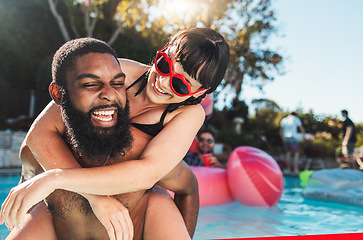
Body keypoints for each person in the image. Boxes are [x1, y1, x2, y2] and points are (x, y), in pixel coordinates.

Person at [1, 28, 230, 239]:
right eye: (163, 64)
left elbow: (147, 174)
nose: (162, 81)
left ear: (200, 92)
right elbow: (38, 134)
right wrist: (96, 198)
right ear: (161, 53)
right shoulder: (119, 70)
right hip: (65, 199)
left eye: (180, 85)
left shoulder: (188, 114)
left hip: (135, 200)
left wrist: (55, 178)